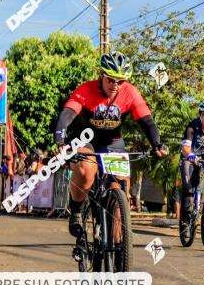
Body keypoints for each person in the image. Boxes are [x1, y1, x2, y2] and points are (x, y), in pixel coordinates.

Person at [54, 51, 168, 261]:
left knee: (121, 184)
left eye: (120, 81)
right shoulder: (86, 90)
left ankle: (118, 243)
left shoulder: (130, 92)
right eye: (111, 80)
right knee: (86, 169)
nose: (115, 85)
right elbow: (68, 113)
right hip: (85, 138)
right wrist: (60, 140)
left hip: (112, 141)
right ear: (101, 75)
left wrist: (157, 144)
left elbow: (147, 120)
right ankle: (77, 211)